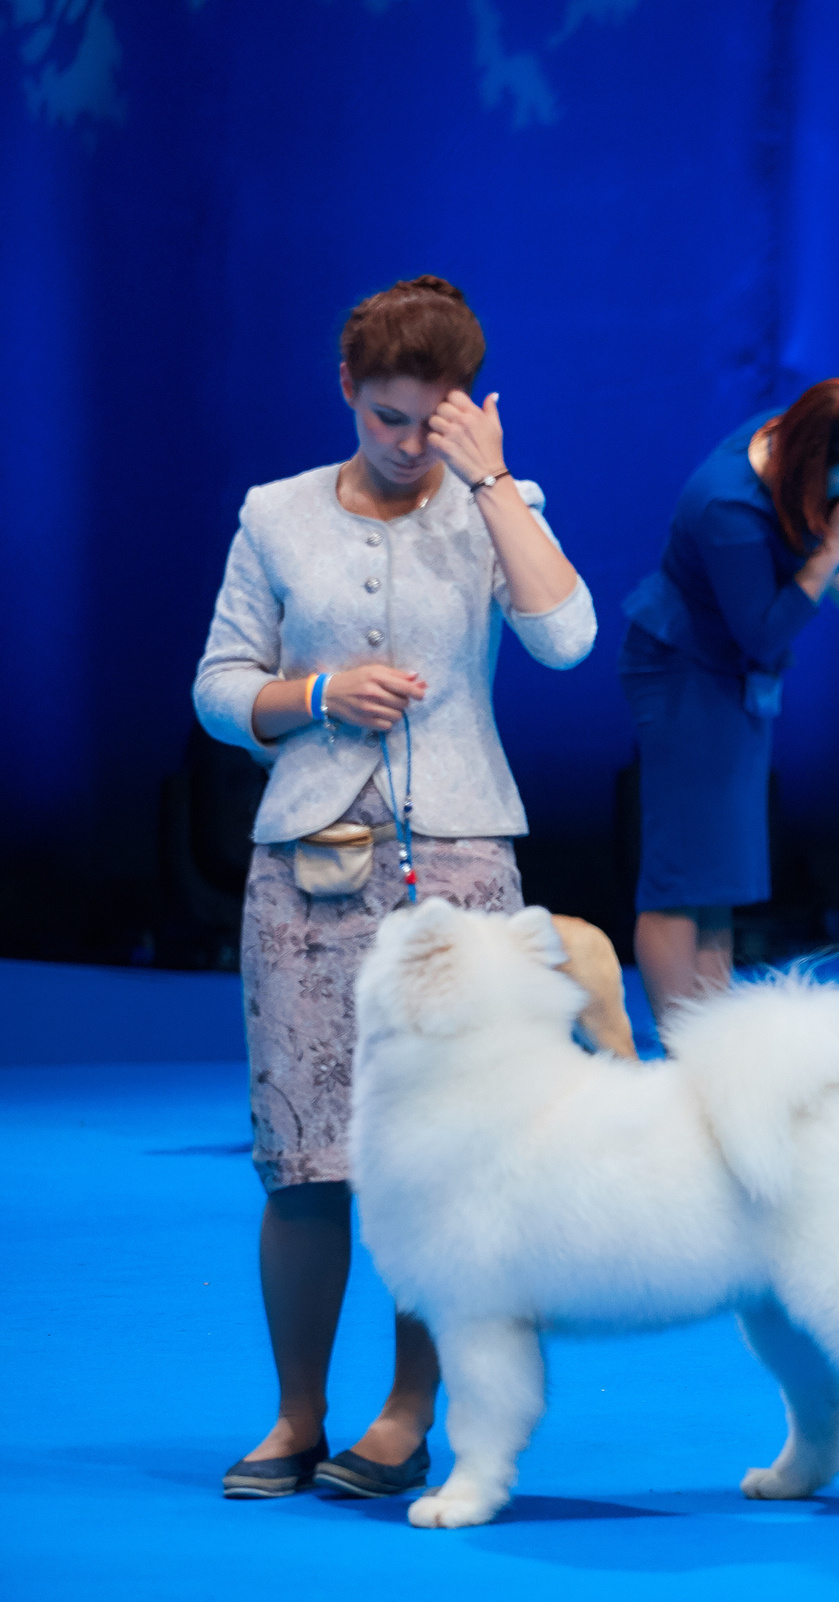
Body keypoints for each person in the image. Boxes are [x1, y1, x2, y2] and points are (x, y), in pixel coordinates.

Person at [193, 275, 595, 1498]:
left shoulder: (492, 506)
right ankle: (294, 1413)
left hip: (461, 871)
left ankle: (410, 1408)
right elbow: (218, 688)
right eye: (386, 418)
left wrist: (490, 482)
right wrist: (316, 693)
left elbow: (565, 637)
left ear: (465, 407)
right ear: (345, 394)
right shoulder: (274, 513)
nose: (408, 440)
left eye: (431, 418)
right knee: (306, 1158)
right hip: (305, 877)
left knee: (452, 1160)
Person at [620, 379, 839, 1016]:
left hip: (731, 681)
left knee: (716, 878)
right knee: (678, 882)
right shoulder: (725, 504)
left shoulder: (792, 439)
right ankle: (684, 1056)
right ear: (820, 457)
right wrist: (838, 546)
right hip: (684, 678)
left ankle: (713, 1045)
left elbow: (810, 526)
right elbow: (763, 632)